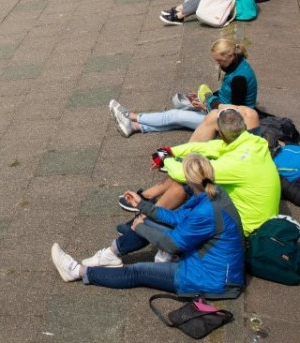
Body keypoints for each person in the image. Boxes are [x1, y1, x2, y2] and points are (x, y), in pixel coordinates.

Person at [50, 154, 244, 298]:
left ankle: (77, 272)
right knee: (148, 222)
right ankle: (111, 253)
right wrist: (142, 206)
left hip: (212, 280)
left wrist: (140, 227)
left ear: (188, 178)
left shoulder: (205, 211)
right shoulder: (214, 193)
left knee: (138, 271)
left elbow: (172, 244)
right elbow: (178, 217)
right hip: (211, 264)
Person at [124, 109, 279, 239]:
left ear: (222, 134)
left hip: (245, 229)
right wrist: (168, 151)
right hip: (254, 217)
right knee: (191, 190)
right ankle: (145, 220)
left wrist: (166, 160)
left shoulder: (235, 164)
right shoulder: (252, 142)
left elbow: (182, 174)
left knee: (188, 186)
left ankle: (140, 230)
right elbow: (207, 148)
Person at [109, 39, 256, 136]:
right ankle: (136, 127)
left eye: (219, 61)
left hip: (230, 124)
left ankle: (131, 116)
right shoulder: (237, 66)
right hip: (220, 110)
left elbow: (234, 112)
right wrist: (203, 98)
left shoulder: (239, 79)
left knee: (176, 115)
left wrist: (206, 106)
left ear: (230, 56)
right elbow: (227, 96)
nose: (218, 64)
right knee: (181, 109)